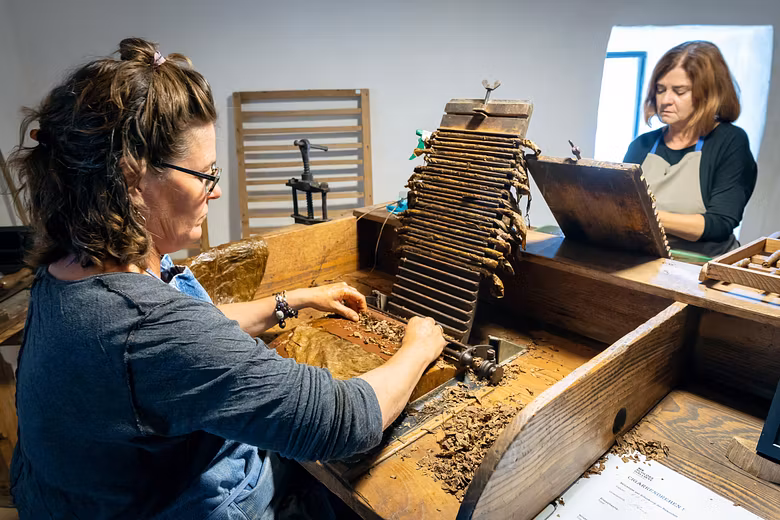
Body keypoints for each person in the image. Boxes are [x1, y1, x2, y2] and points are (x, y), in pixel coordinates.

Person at [9, 38, 446, 519]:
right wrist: (418, 348)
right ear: (132, 179)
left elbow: (185, 337)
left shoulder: (65, 274)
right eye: (204, 174)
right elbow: (342, 421)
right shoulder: (148, 328)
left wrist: (292, 300)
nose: (214, 193)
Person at [624, 41, 757, 258]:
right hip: (646, 260)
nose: (665, 100)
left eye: (679, 91)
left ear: (708, 95)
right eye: (660, 89)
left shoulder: (730, 141)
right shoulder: (643, 145)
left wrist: (642, 214)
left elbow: (719, 223)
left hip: (701, 268)